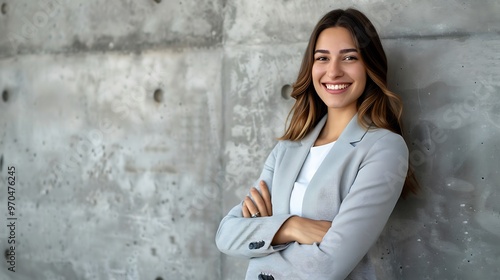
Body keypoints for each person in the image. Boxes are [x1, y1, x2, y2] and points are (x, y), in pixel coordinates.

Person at [216, 8, 418, 280]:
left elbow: (327, 266)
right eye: (322, 58)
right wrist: (290, 227)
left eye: (349, 57)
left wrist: (265, 235)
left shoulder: (384, 149)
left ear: (369, 66)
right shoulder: (287, 149)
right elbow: (226, 234)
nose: (333, 72)